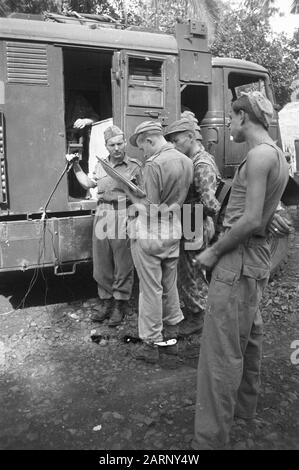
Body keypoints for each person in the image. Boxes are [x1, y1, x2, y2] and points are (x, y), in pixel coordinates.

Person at [191, 91, 289, 450]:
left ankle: (209, 441)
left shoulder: (259, 155)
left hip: (238, 260)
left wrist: (212, 252)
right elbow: (261, 212)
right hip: (255, 260)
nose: (229, 125)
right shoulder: (275, 154)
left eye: (232, 118)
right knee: (249, 337)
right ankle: (244, 407)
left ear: (244, 117)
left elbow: (248, 220)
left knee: (220, 352)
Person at [122, 121, 193, 364]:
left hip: (150, 234)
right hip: (173, 230)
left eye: (142, 148)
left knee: (151, 289)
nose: (143, 153)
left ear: (149, 140)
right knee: (169, 286)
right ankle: (171, 340)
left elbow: (150, 209)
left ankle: (150, 344)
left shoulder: (154, 164)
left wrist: (130, 191)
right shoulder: (186, 160)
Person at [66, 125, 142, 327]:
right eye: (112, 144)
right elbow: (89, 185)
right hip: (102, 212)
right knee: (101, 262)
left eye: (120, 143)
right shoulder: (101, 165)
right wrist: (75, 167)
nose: (117, 148)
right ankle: (105, 301)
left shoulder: (134, 166)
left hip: (123, 213)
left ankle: (120, 303)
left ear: (125, 143)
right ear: (107, 146)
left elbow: (143, 195)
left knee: (123, 262)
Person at [164, 117, 221, 337]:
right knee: (191, 269)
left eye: (177, 140)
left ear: (190, 137)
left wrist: (194, 213)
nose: (174, 145)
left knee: (191, 271)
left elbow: (210, 203)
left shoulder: (201, 163)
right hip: (192, 218)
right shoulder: (193, 159)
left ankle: (200, 316)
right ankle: (201, 312)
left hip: (194, 219)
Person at [65, 91, 100, 198]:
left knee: (79, 165)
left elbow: (95, 118)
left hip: (76, 139)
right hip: (59, 139)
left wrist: (85, 121)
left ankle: (81, 194)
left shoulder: (77, 100)